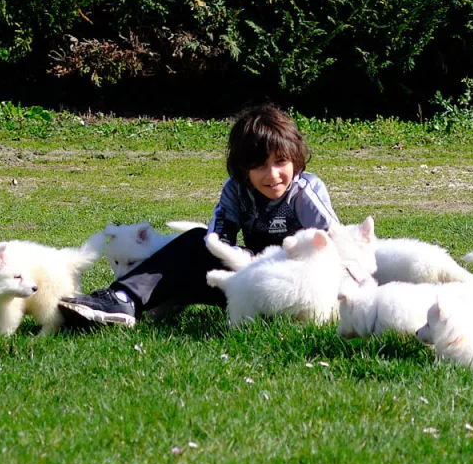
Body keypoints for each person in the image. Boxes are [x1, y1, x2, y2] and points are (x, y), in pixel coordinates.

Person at [57, 104, 339, 329]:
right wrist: (246, 260)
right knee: (194, 241)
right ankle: (122, 300)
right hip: (249, 280)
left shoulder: (306, 192)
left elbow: (338, 246)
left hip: (298, 290)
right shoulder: (236, 190)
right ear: (243, 169)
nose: (273, 175)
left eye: (280, 162)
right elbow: (217, 241)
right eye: (259, 166)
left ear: (295, 159)